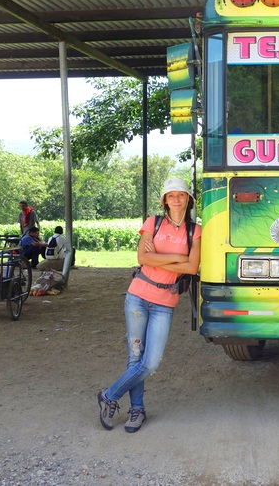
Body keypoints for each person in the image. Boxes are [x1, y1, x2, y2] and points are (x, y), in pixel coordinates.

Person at [97, 177, 201, 434]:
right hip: (138, 297)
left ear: (188, 199)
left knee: (151, 362)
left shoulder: (195, 231)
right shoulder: (153, 223)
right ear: (165, 200)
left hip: (165, 302)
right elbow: (142, 257)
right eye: (171, 195)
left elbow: (191, 267)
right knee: (135, 357)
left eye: (181, 194)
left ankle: (109, 396)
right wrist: (177, 256)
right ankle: (136, 410)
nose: (176, 199)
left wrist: (159, 259)